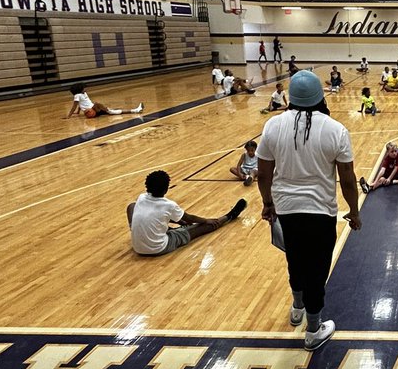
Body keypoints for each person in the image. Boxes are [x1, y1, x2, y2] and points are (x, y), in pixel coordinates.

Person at [256, 69, 360, 349]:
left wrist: (267, 204)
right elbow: (348, 179)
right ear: (320, 96)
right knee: (317, 269)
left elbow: (263, 174)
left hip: (287, 210)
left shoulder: (273, 126)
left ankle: (297, 307)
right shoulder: (336, 129)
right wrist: (355, 211)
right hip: (321, 212)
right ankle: (313, 330)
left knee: (295, 260)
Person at [127, 169, 246, 256]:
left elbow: (161, 214)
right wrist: (205, 220)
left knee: (132, 206)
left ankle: (139, 230)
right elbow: (190, 218)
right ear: (166, 189)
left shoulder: (141, 197)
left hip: (138, 248)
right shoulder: (169, 205)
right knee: (199, 227)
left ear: (147, 187)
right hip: (158, 248)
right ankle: (229, 216)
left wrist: (180, 222)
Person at [67, 83, 143, 118]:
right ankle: (109, 110)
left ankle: (136, 110)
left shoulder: (84, 93)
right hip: (91, 111)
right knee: (98, 104)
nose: (85, 89)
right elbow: (74, 106)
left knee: (114, 110)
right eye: (84, 88)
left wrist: (78, 112)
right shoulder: (77, 95)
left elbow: (81, 104)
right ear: (79, 90)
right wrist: (69, 116)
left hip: (95, 109)